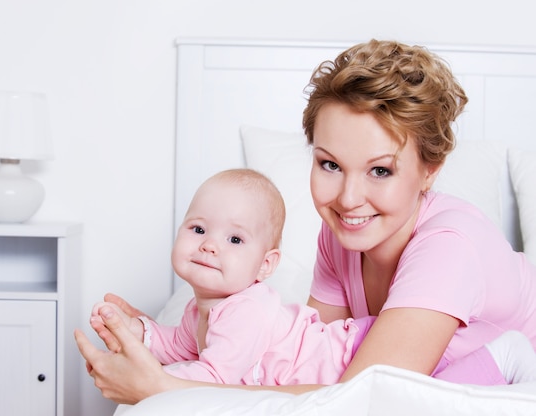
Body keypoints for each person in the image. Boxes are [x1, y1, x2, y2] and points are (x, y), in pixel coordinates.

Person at [75, 39, 536, 404]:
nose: (348, 199)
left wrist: (160, 388)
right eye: (330, 165)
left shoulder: (449, 248)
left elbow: (357, 399)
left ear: (430, 170)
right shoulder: (342, 234)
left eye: (380, 170)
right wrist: (172, 335)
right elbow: (309, 361)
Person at [87, 168, 536, 387]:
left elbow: (214, 374)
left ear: (266, 266)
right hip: (344, 344)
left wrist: (153, 381)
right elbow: (179, 344)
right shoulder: (202, 308)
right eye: (198, 229)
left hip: (358, 354)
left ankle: (508, 357)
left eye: (235, 240)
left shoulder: (244, 310)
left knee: (429, 394)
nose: (209, 245)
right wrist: (136, 333)